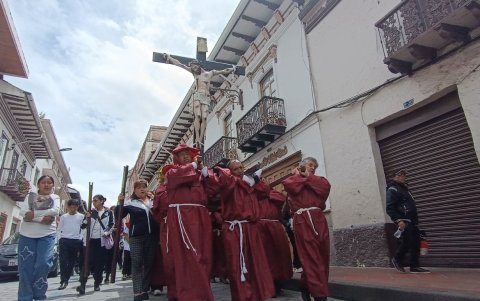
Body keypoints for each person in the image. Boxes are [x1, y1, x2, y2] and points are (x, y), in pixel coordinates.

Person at [206, 160, 275, 301]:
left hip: (251, 227)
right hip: (234, 229)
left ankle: (257, 295)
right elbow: (225, 182)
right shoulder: (228, 183)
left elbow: (265, 192)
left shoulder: (249, 182)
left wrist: (256, 179)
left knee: (255, 262)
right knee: (236, 264)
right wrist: (244, 179)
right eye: (236, 169)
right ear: (230, 171)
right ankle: (242, 296)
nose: (240, 170)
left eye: (241, 167)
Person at [164, 144, 214, 301]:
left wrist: (206, 173)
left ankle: (203, 291)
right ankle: (190, 294)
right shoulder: (172, 172)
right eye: (182, 154)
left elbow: (214, 190)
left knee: (203, 252)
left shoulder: (199, 173)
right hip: (183, 215)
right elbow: (177, 177)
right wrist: (193, 165)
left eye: (188, 154)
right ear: (177, 158)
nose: (186, 156)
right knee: (189, 253)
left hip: (201, 215)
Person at [282, 157, 331, 301]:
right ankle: (320, 295)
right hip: (302, 220)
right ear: (301, 166)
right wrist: (300, 177)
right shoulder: (292, 180)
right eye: (310, 165)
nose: (312, 168)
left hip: (319, 219)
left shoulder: (320, 180)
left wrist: (307, 178)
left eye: (314, 166)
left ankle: (305, 286)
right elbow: (290, 186)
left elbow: (325, 188)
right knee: (311, 257)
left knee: (322, 256)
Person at [163, 53, 235, 147]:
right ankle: (197, 139)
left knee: (204, 117)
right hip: (197, 96)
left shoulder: (210, 73)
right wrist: (169, 58)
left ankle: (200, 139)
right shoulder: (194, 73)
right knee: (198, 116)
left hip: (206, 97)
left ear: (199, 65)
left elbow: (223, 71)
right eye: (192, 68)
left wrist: (233, 69)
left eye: (195, 67)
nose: (194, 69)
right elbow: (180, 65)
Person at [17, 175, 60, 301]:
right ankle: (25, 297)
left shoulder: (55, 197)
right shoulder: (30, 196)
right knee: (25, 268)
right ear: (38, 184)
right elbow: (23, 213)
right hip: (27, 235)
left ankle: (39, 295)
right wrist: (41, 219)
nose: (46, 185)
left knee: (44, 264)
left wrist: (33, 215)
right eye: (43, 182)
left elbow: (55, 211)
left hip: (47, 236)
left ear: (52, 185)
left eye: (49, 183)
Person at [120, 180, 159, 301]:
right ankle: (137, 292)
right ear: (135, 190)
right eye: (139, 187)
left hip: (152, 236)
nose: (142, 189)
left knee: (149, 263)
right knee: (136, 263)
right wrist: (120, 203)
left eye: (144, 187)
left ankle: (144, 289)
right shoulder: (129, 202)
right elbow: (119, 215)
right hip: (136, 237)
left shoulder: (153, 201)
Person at [386, 169, 430, 274]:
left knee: (416, 243)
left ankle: (414, 266)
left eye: (404, 175)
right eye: (400, 174)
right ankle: (397, 259)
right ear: (394, 177)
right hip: (404, 220)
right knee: (407, 242)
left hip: (412, 220)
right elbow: (390, 207)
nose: (403, 176)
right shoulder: (393, 189)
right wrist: (398, 220)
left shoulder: (405, 190)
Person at [255, 179, 293, 296]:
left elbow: (281, 199)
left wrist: (266, 194)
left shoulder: (273, 194)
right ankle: (269, 285)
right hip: (260, 229)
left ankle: (278, 283)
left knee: (279, 256)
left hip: (275, 228)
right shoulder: (252, 194)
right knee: (266, 257)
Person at [77, 194, 114, 294]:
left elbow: (111, 225)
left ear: (102, 201)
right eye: (93, 201)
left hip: (101, 240)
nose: (94, 202)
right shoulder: (91, 212)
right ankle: (82, 284)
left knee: (99, 263)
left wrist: (106, 233)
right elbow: (83, 226)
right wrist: (87, 218)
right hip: (90, 241)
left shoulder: (108, 212)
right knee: (86, 262)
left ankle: (97, 283)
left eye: (96, 200)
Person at [57, 199, 84, 290]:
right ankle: (63, 281)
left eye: (74, 207)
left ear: (77, 207)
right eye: (70, 207)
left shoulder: (81, 217)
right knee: (63, 261)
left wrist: (80, 239)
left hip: (76, 241)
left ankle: (66, 279)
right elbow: (59, 228)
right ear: (68, 207)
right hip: (64, 240)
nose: (72, 209)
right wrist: (59, 239)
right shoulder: (64, 217)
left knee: (71, 262)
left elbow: (84, 229)